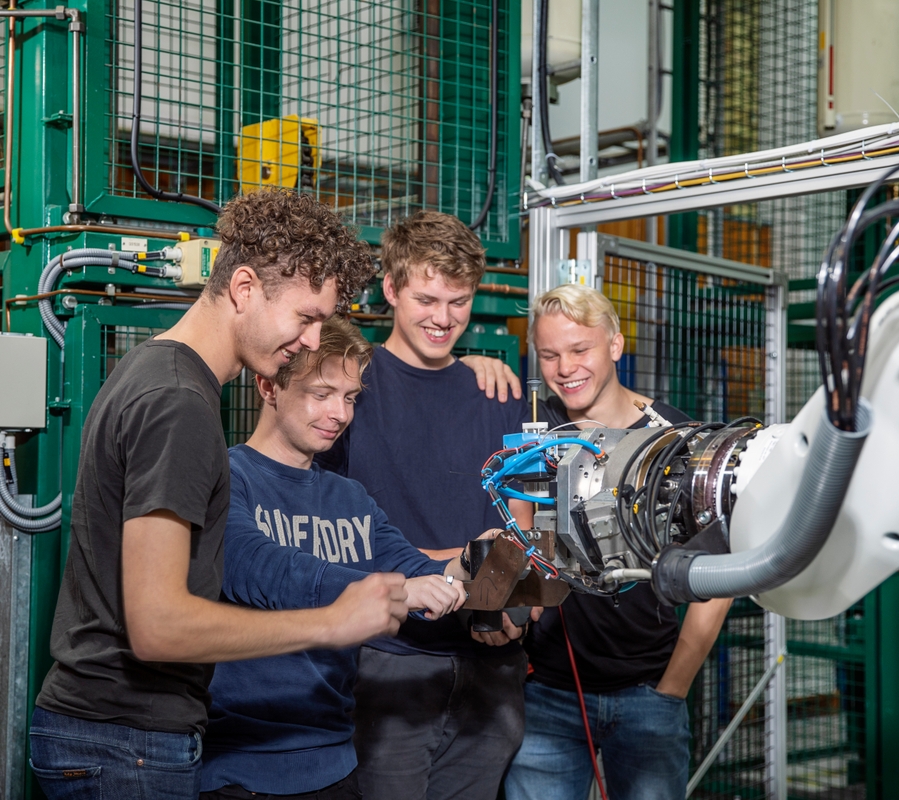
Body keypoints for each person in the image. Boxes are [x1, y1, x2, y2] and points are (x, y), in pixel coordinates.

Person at [29, 189, 411, 800]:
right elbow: (157, 625)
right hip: (125, 744)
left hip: (115, 738)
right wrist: (330, 622)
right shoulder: (178, 405)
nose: (313, 341)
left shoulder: (153, 369)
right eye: (305, 318)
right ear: (243, 288)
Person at [200, 316, 468, 800]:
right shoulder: (229, 476)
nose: (339, 414)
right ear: (268, 386)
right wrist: (393, 591)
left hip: (335, 763)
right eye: (321, 394)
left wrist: (474, 562)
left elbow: (415, 569)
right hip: (240, 768)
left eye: (349, 398)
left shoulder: (351, 498)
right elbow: (256, 566)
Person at [315, 210, 533, 800]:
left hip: (490, 663)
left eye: (458, 301)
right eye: (427, 298)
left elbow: (521, 523)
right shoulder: (349, 388)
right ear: (390, 288)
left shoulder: (499, 391)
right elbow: (329, 529)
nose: (442, 318)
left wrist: (512, 608)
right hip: (389, 662)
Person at [503, 284, 733, 800]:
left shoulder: (674, 438)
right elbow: (515, 543)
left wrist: (673, 687)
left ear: (614, 345)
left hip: (649, 691)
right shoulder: (537, 435)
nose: (565, 368)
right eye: (549, 355)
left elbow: (719, 576)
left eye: (579, 349)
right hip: (548, 696)